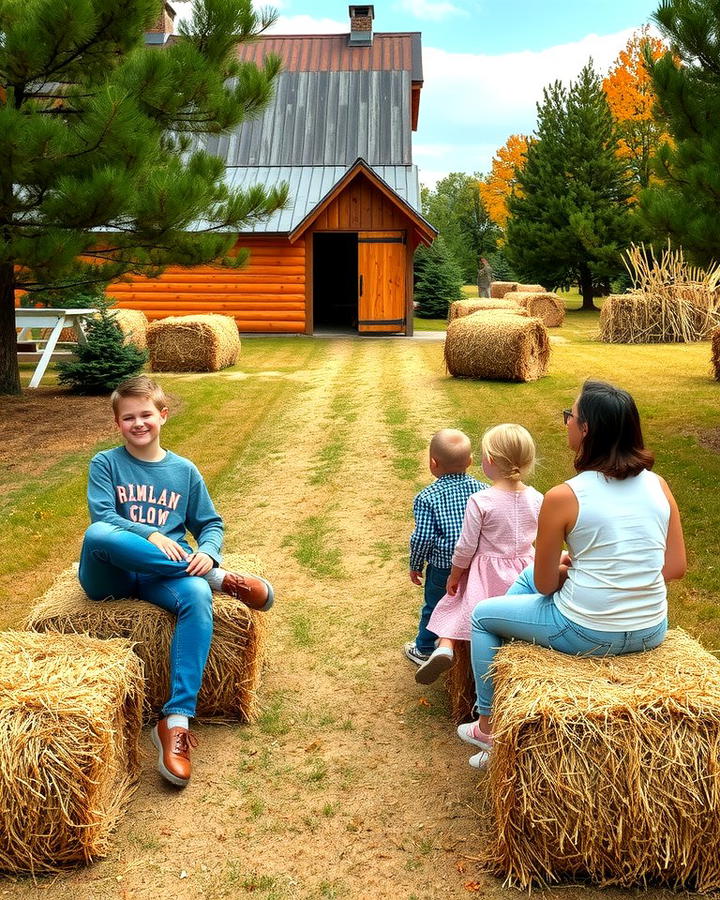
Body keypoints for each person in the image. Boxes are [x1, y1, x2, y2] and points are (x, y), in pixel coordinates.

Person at [458, 380, 687, 768]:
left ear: (586, 431)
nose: (566, 422)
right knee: (527, 581)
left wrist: (573, 574)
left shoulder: (564, 496)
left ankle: (489, 727)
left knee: (483, 615)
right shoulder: (659, 485)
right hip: (651, 628)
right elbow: (675, 567)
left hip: (586, 630)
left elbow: (547, 583)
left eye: (571, 416)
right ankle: (514, 677)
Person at [78, 375, 274, 788]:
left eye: (146, 414)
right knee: (95, 536)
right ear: (117, 423)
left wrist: (209, 553)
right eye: (128, 417)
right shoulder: (106, 463)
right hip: (111, 572)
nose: (138, 423)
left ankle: (177, 720)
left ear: (162, 415)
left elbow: (210, 523)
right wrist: (150, 534)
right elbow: (103, 518)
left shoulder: (183, 471)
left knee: (198, 593)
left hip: (161, 576)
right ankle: (224, 580)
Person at [415, 424, 542, 685]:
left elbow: (466, 547)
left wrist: (455, 575)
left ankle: (445, 647)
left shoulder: (481, 500)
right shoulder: (537, 498)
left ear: (489, 461)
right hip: (525, 573)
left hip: (486, 573)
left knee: (456, 604)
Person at [404, 429, 485, 666]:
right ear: (470, 462)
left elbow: (422, 537)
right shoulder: (482, 490)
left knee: (435, 606)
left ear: (433, 463)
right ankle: (467, 645)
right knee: (467, 602)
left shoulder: (427, 497)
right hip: (474, 564)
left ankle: (425, 649)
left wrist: (416, 564)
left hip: (442, 567)